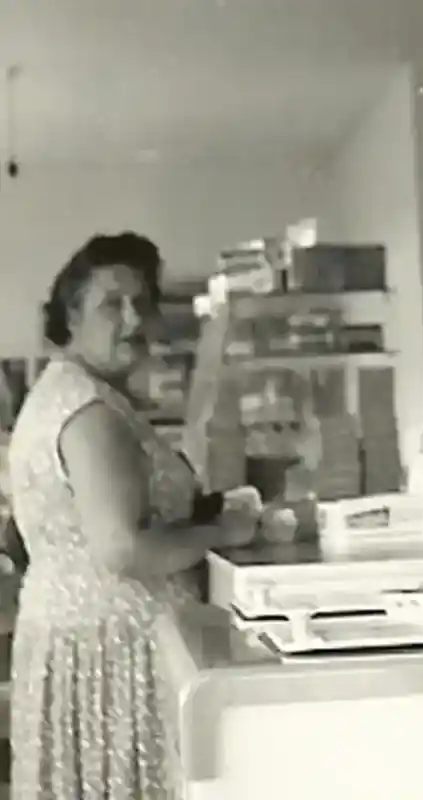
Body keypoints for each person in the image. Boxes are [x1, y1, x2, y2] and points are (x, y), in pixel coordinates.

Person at [7, 232, 258, 799]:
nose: (133, 318)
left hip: (87, 641)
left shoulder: (78, 392)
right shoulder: (88, 411)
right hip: (112, 649)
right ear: (71, 318)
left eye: (143, 302)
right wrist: (225, 529)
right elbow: (125, 549)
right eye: (111, 304)